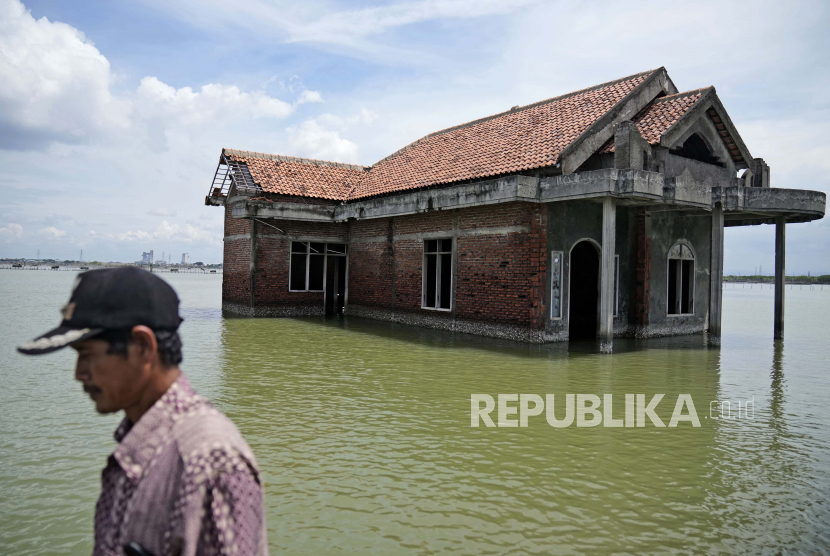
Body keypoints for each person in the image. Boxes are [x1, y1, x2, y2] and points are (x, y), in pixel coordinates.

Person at [18, 267, 268, 556]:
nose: (78, 374)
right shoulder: (141, 441)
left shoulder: (208, 461)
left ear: (143, 346)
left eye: (87, 356)